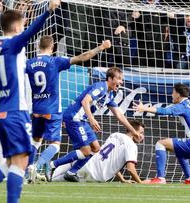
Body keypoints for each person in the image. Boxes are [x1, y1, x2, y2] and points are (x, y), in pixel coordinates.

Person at [0, 1, 61, 203]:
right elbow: (33, 30)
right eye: (22, 25)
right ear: (16, 28)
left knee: (10, 162)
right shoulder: (13, 44)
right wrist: (48, 11)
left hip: (0, 113)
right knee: (22, 160)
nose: (24, 27)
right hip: (15, 111)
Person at [25, 35, 111, 183]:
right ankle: (37, 166)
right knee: (55, 145)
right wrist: (100, 47)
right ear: (52, 48)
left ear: (39, 46)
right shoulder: (55, 61)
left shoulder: (29, 63)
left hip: (36, 109)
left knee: (36, 142)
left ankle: (27, 174)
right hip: (52, 110)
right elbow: (83, 57)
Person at [48, 67, 142, 182]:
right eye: (119, 79)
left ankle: (71, 172)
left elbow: (119, 115)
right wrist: (92, 119)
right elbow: (85, 101)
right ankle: (52, 165)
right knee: (86, 151)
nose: (121, 82)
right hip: (74, 117)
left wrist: (133, 131)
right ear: (110, 78)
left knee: (96, 148)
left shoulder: (110, 95)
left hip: (82, 120)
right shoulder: (101, 87)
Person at [133, 83, 190, 184]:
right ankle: (189, 179)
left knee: (160, 143)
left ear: (178, 95)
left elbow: (164, 111)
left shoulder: (182, 106)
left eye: (173, 92)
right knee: (180, 153)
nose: (171, 95)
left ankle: (160, 178)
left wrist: (145, 108)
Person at [51, 120, 145, 183]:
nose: (142, 136)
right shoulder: (132, 146)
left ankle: (47, 169)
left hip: (87, 164)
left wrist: (122, 179)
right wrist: (140, 183)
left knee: (51, 179)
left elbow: (110, 161)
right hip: (95, 176)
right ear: (133, 131)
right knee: (56, 181)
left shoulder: (115, 135)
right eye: (141, 133)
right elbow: (130, 169)